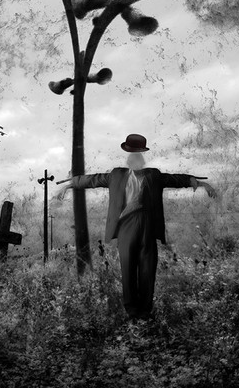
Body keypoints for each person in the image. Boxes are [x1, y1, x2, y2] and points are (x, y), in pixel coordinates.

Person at [57, 133, 217, 320]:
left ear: (142, 159)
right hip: (126, 226)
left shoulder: (153, 175)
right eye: (131, 155)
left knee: (148, 267)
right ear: (128, 159)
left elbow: (175, 179)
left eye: (137, 155)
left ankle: (145, 311)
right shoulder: (116, 175)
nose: (134, 159)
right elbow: (93, 180)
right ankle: (132, 311)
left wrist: (200, 183)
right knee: (128, 267)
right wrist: (68, 185)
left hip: (148, 226)